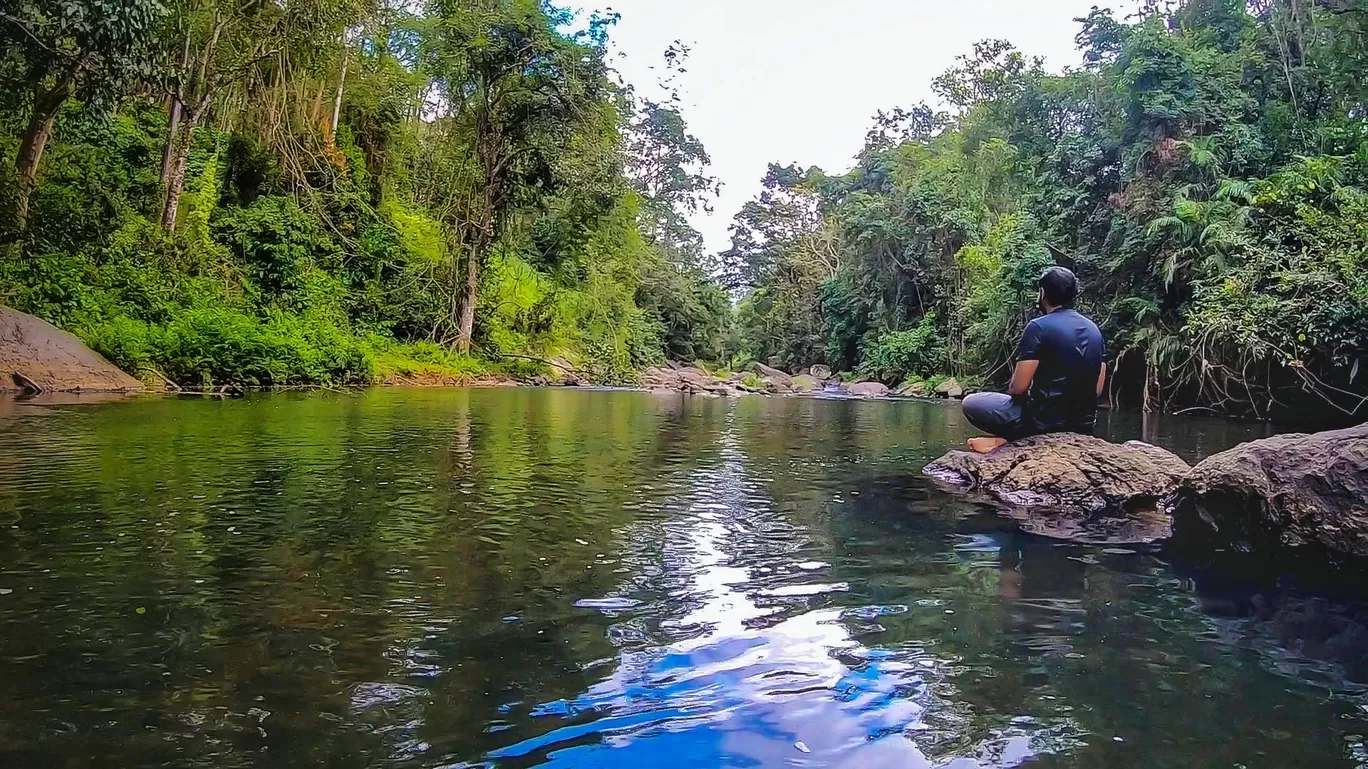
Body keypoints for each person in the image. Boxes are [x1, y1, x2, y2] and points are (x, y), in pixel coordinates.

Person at [961, 266, 1105, 453]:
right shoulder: (1095, 330)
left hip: (1041, 424)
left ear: (1043, 293)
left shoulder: (1039, 327)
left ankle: (1011, 443)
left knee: (971, 403)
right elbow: (1097, 390)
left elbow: (1017, 388)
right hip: (1082, 426)